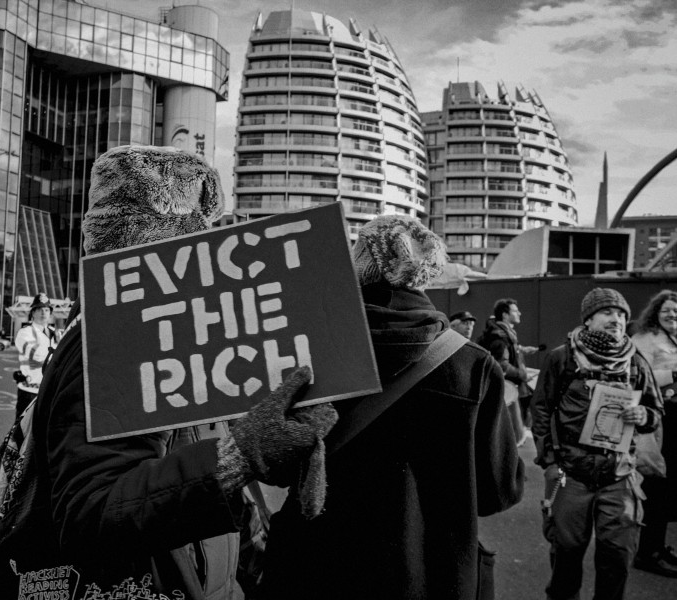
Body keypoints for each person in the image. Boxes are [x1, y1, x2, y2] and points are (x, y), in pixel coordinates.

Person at [32, 145, 338, 598]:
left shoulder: (162, 331)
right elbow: (92, 514)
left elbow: (186, 462)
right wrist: (238, 457)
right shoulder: (117, 336)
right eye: (198, 238)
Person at [259, 215, 525, 599]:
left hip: (316, 569)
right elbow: (497, 492)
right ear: (425, 273)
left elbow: (276, 466)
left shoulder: (308, 350)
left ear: (358, 265)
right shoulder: (473, 365)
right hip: (429, 573)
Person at [531, 287, 663, 600]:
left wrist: (642, 414)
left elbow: (656, 413)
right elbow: (540, 411)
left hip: (618, 474)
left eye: (621, 314)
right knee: (566, 551)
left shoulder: (635, 362)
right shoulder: (561, 358)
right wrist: (549, 462)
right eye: (607, 312)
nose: (616, 319)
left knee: (617, 555)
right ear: (589, 319)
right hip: (571, 472)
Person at [630, 290, 677, 577]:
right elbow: (636, 375)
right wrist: (674, 375)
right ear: (655, 313)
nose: (673, 315)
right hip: (659, 420)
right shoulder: (645, 340)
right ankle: (648, 552)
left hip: (675, 419)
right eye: (667, 311)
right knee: (657, 485)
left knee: (669, 487)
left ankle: (658, 547)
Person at [478, 298, 539, 427]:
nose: (520, 313)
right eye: (516, 311)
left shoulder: (504, 334)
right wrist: (522, 375)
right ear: (505, 315)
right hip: (511, 392)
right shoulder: (500, 337)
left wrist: (521, 350)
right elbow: (502, 365)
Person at [14, 292, 59, 417]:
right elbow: (37, 354)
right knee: (22, 433)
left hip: (49, 392)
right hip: (29, 391)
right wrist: (58, 351)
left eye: (46, 309)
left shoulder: (54, 333)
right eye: (39, 309)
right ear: (33, 312)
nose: (44, 313)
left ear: (50, 313)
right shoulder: (24, 333)